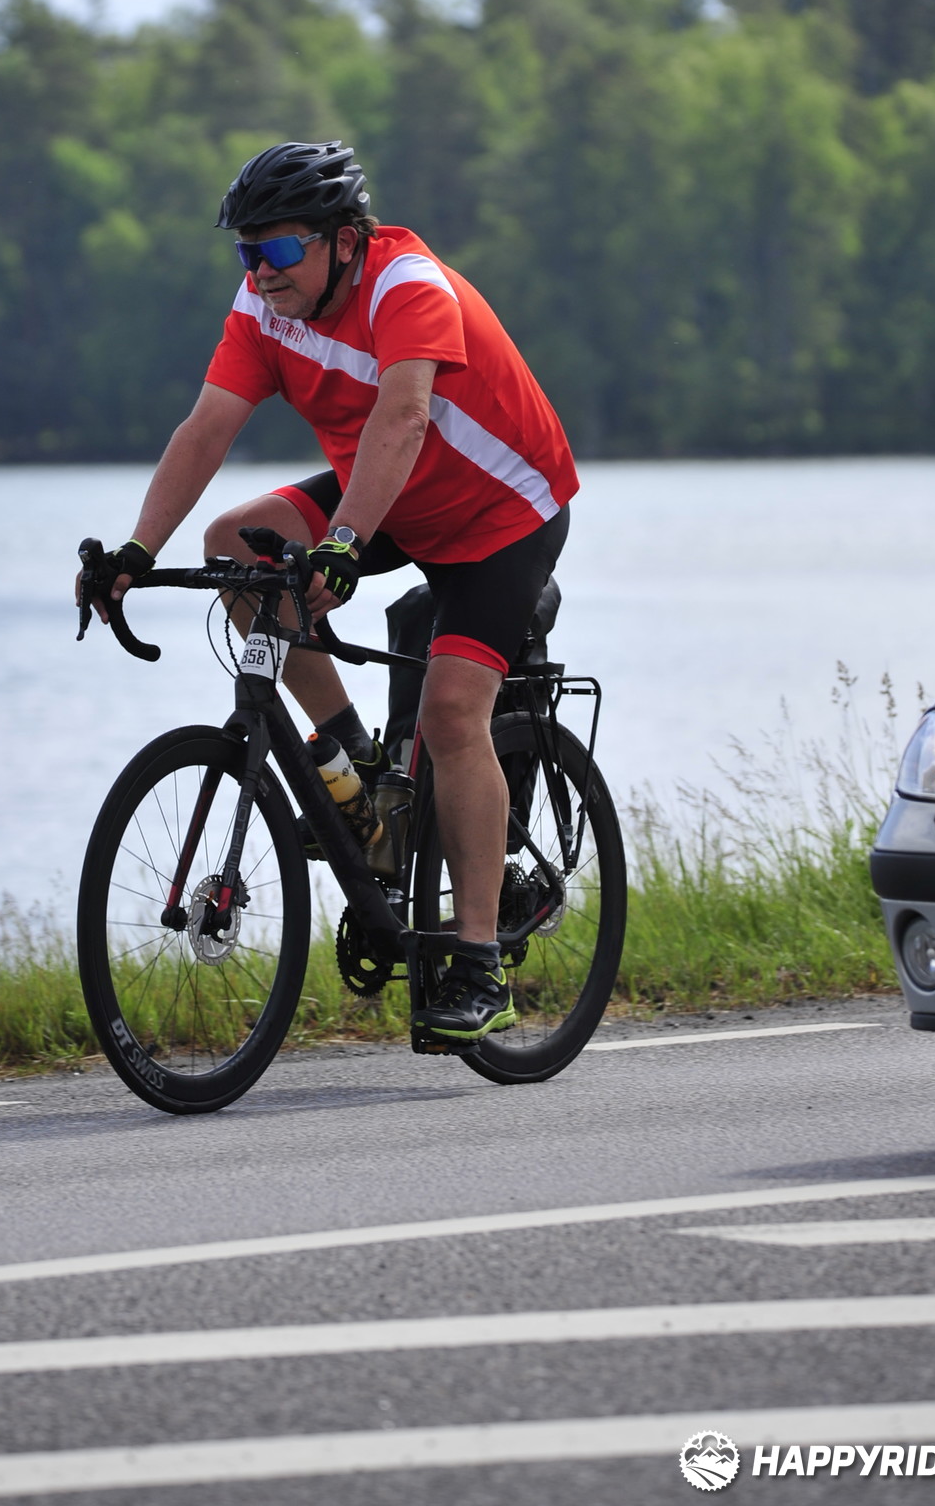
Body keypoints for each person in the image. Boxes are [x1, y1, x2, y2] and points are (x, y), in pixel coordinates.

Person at [79, 139, 577, 1047]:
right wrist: (137, 551)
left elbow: (405, 416)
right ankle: (360, 767)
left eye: (278, 248)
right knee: (233, 545)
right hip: (393, 500)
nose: (260, 270)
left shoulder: (406, 285)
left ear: (345, 240)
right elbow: (207, 428)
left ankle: (479, 964)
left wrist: (343, 543)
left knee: (452, 711)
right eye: (246, 252)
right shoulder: (264, 308)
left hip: (501, 515)